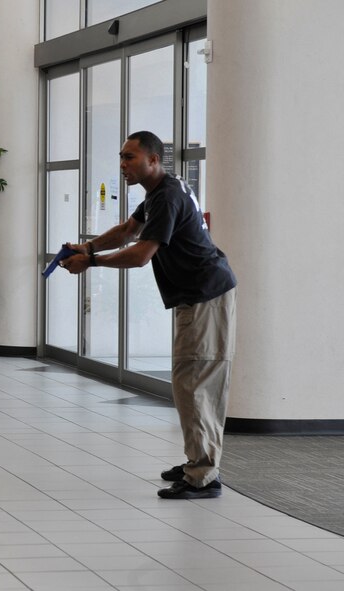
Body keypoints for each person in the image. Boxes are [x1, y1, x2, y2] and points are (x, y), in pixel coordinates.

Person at [61, 130, 237, 500]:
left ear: (154, 160)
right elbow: (128, 230)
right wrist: (88, 245)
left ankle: (203, 475)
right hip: (196, 295)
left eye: (130, 158)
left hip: (206, 296)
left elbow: (141, 254)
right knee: (189, 381)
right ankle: (197, 459)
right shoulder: (159, 192)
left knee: (194, 384)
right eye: (121, 157)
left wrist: (90, 261)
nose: (123, 164)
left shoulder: (168, 196)